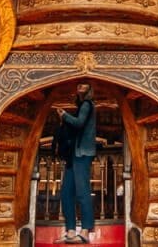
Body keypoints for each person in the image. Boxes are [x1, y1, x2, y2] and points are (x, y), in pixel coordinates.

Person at [56, 83, 97, 243]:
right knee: (66, 193)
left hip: (83, 153)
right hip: (74, 154)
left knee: (82, 192)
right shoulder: (81, 105)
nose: (81, 87)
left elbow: (79, 123)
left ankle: (86, 231)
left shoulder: (87, 104)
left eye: (84, 85)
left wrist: (65, 115)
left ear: (89, 89)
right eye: (79, 85)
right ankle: (71, 231)